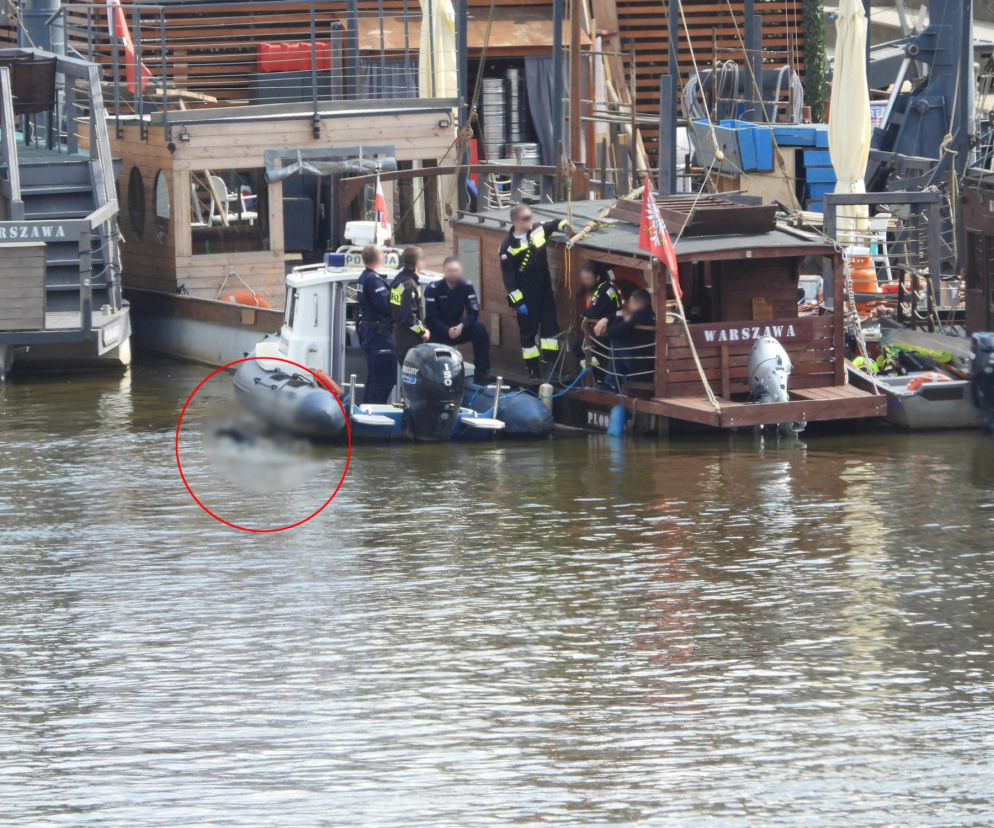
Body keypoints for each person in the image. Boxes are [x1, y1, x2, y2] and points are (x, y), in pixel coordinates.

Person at [499, 203, 570, 379]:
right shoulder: (507, 248)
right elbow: (509, 280)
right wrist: (519, 302)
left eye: (530, 217)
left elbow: (555, 223)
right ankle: (532, 369)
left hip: (544, 291)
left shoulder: (537, 230)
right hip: (526, 296)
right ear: (516, 221)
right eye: (525, 218)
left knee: (550, 330)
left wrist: (565, 226)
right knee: (528, 334)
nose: (530, 221)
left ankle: (551, 365)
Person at [424, 256, 496, 384]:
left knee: (479, 329)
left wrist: (462, 326)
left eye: (456, 270)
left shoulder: (466, 286)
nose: (453, 274)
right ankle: (434, 377)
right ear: (444, 271)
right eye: (450, 270)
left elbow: (473, 313)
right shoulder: (433, 289)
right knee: (429, 333)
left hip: (458, 328)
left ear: (460, 270)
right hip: (439, 331)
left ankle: (481, 373)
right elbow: (431, 317)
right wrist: (446, 330)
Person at [355, 244, 396, 404]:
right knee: (384, 378)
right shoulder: (374, 280)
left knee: (375, 377)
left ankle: (367, 410)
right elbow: (386, 306)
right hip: (379, 337)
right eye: (382, 253)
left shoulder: (364, 277)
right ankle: (373, 412)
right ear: (379, 258)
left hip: (371, 334)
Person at [578, 262, 623, 388]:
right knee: (581, 350)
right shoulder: (599, 288)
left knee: (582, 349)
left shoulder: (605, 289)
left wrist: (585, 316)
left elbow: (595, 310)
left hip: (607, 332)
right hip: (599, 332)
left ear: (597, 277)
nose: (585, 282)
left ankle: (600, 379)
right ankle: (597, 377)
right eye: (583, 279)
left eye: (588, 279)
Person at [604, 289, 656, 383]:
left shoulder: (637, 315)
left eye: (630, 302)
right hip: (652, 362)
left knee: (617, 341)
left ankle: (611, 382)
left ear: (635, 301)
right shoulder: (652, 314)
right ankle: (613, 381)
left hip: (640, 364)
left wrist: (618, 317)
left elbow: (612, 332)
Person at [389, 246, 430, 366]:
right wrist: (423, 332)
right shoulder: (409, 285)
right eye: (423, 258)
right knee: (413, 377)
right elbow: (409, 317)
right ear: (417, 262)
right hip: (409, 340)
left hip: (400, 336)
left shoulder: (398, 281)